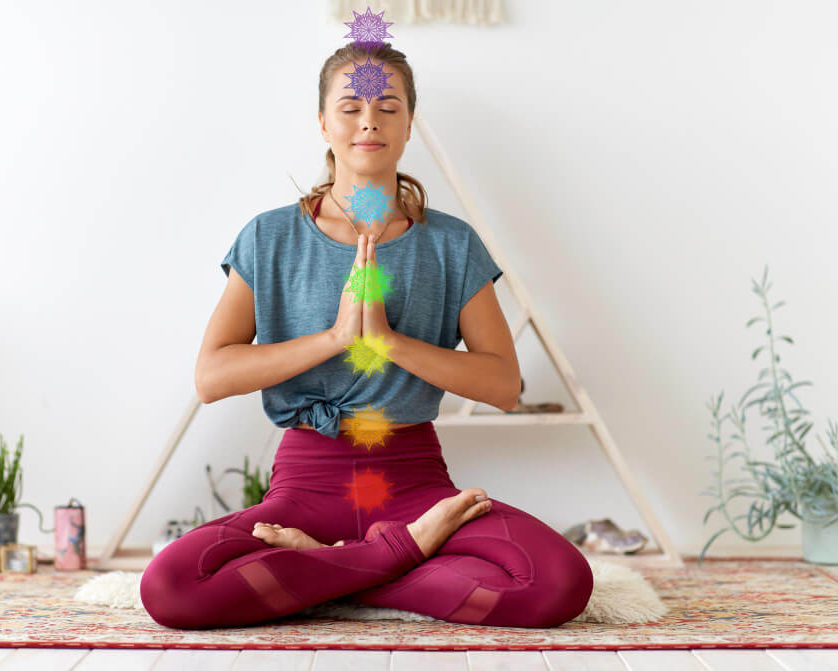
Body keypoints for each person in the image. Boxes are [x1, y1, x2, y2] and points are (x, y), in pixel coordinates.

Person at [140, 41, 593, 630]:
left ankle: (332, 568)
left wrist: (388, 342)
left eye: (388, 107)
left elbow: (503, 385)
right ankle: (396, 556)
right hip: (305, 486)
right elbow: (211, 377)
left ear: (409, 123)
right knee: (170, 588)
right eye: (351, 106)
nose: (369, 121)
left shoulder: (452, 244)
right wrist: (336, 338)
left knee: (559, 582)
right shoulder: (270, 237)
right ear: (323, 122)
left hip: (415, 484)